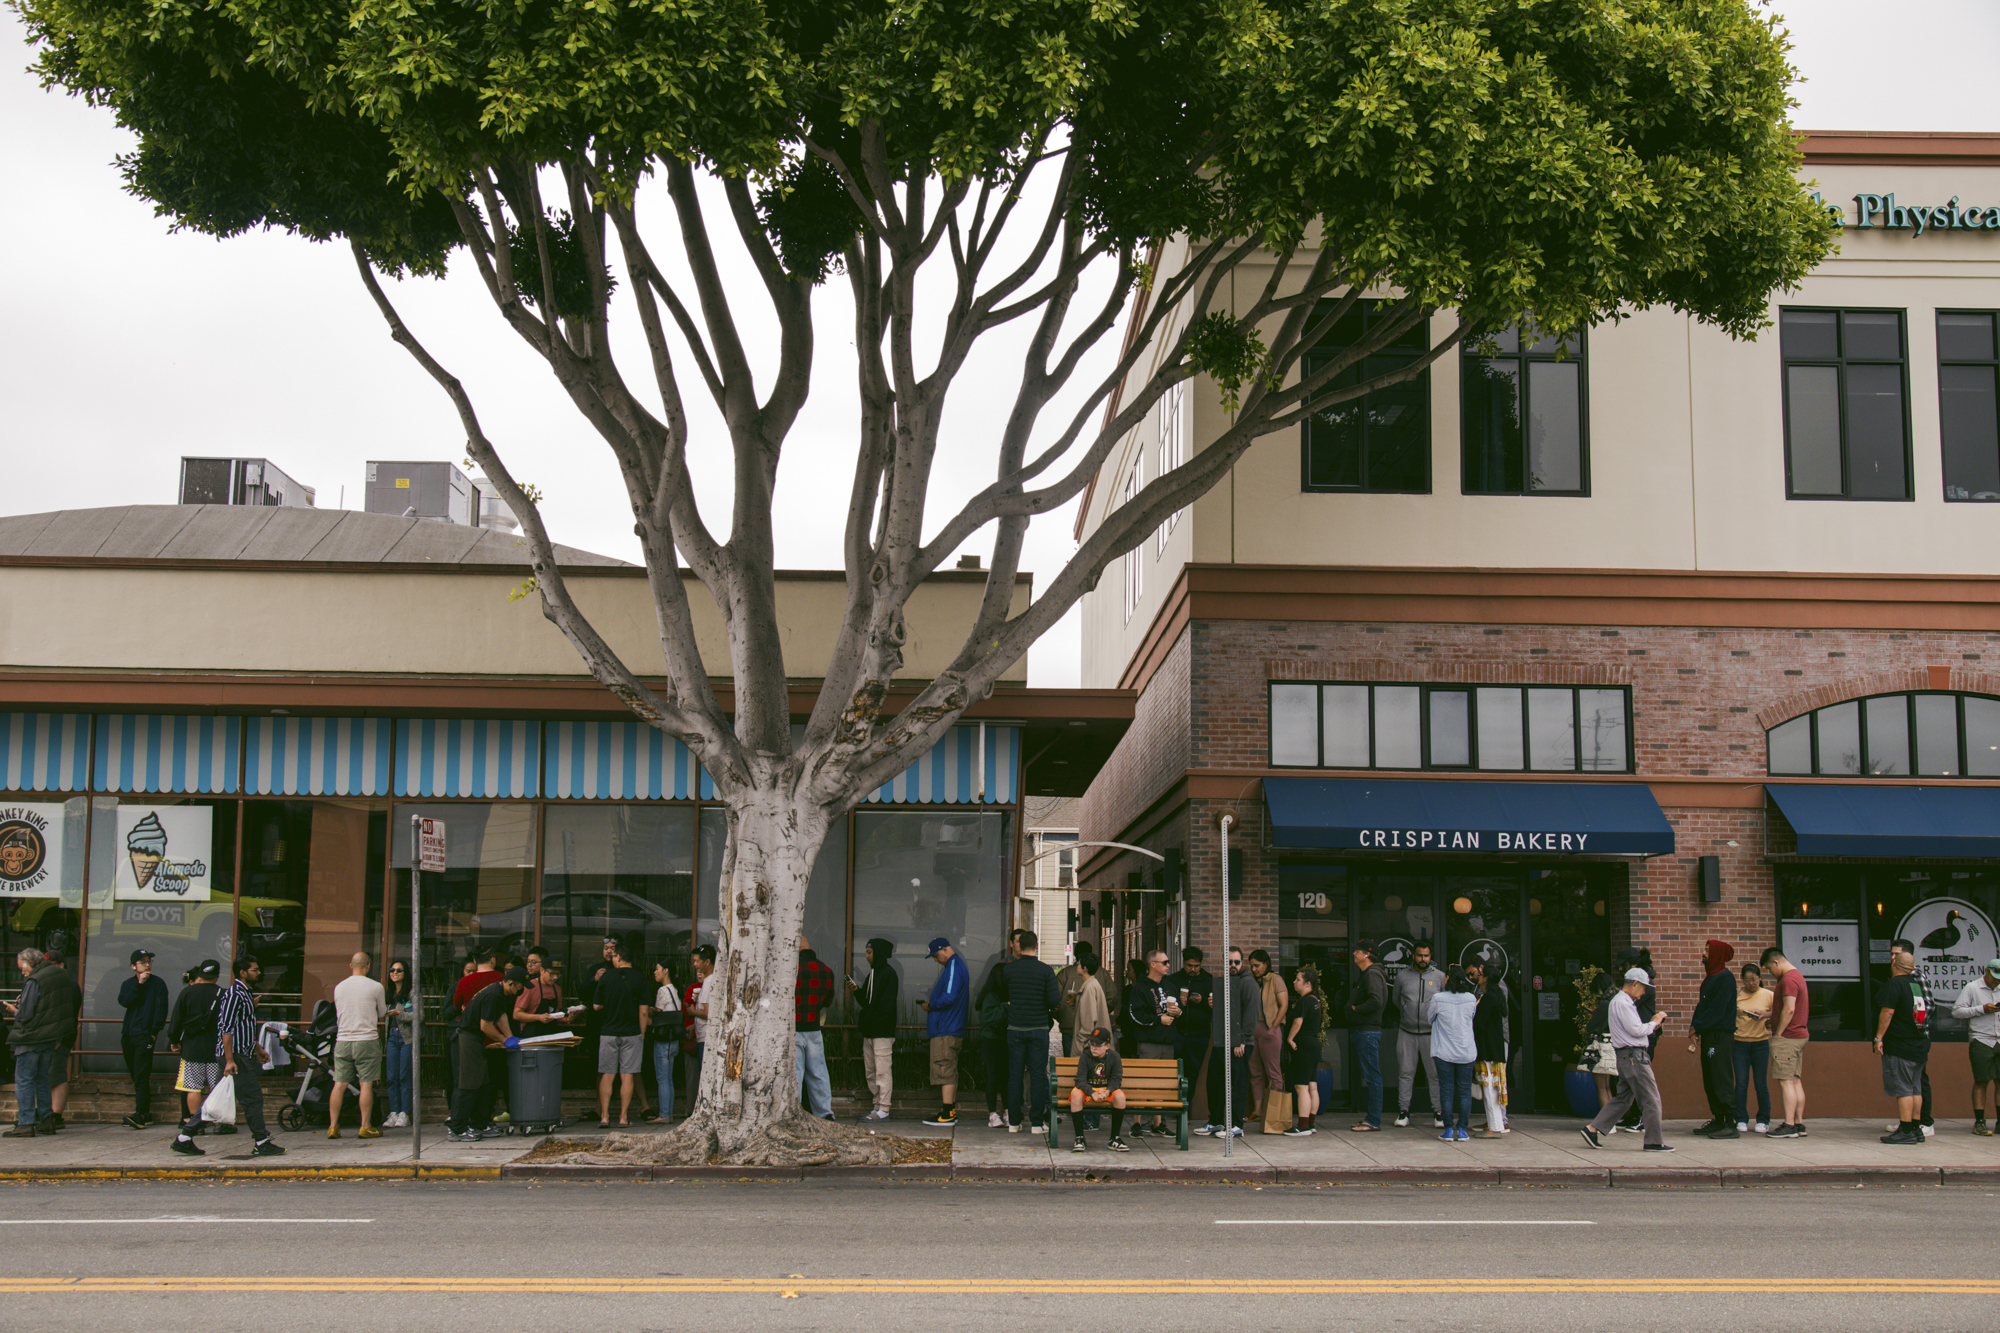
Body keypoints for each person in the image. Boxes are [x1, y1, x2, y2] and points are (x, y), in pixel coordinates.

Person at [173, 956, 285, 1157]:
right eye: (255, 970)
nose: (259, 973)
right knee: (253, 1097)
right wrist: (230, 1059)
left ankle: (184, 1137)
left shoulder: (244, 994)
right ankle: (261, 1141)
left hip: (239, 1054)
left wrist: (257, 1048)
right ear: (243, 972)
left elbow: (244, 1027)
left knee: (215, 1098)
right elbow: (226, 1027)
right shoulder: (235, 994)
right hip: (235, 1057)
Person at [1580, 968, 1672, 1152]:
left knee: (1623, 1098)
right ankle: (1653, 1141)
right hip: (1634, 1056)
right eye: (1643, 987)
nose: (1644, 992)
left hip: (1626, 1056)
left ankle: (1592, 1129)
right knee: (1651, 1099)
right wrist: (1654, 1022)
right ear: (1634, 984)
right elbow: (1636, 1030)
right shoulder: (1623, 1003)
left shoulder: (1618, 1002)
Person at [4, 948, 76, 1139]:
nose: (22, 972)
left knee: (24, 1080)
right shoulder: (59, 975)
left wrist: (14, 1010)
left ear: (29, 963)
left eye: (22, 967)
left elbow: (26, 1014)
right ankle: (46, 1119)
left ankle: (26, 1122)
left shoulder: (35, 980)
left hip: (32, 1038)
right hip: (50, 1037)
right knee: (43, 1078)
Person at [449, 965, 526, 1141]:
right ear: (511, 984)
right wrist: (503, 1040)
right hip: (468, 1037)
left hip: (475, 1039)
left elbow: (501, 1016)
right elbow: (486, 1026)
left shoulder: (500, 993)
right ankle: (457, 1128)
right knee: (468, 1083)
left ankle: (480, 1123)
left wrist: (510, 1036)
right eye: (520, 987)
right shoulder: (494, 994)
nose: (521, 991)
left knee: (483, 1082)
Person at [1002, 929, 1061, 1134]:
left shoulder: (1008, 970)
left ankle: (1014, 1122)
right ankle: (1036, 1123)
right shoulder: (1045, 971)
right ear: (1036, 946)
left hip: (1015, 1028)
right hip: (1038, 1028)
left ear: (1018, 946)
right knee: (1037, 1075)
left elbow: (1004, 994)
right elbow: (1054, 1001)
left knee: (1014, 1075)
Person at [1199, 947, 1261, 1138]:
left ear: (1242, 963)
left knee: (1238, 1083)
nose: (1233, 965)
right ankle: (1217, 1121)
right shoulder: (1225, 982)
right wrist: (1214, 1005)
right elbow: (1228, 1012)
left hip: (1240, 1043)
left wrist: (1241, 1040)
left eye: (1236, 962)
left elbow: (1251, 1014)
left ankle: (1236, 1125)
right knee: (1215, 1081)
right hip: (1222, 1041)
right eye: (1230, 962)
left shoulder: (1248, 983)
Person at [1875, 938, 1931, 1145]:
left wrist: (1878, 1037)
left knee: (1903, 1089)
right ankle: (1916, 1129)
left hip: (1900, 1045)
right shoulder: (1916, 986)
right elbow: (1922, 1014)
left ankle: (1905, 1130)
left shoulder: (1894, 984)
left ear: (1894, 965)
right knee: (1915, 1088)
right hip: (1918, 1044)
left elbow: (1887, 1012)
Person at [327, 951, 386, 1139]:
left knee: (339, 1084)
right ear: (368, 966)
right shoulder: (376, 987)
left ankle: (333, 1126)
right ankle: (365, 1126)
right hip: (366, 1039)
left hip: (343, 1040)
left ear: (351, 965)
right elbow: (382, 1013)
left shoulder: (339, 987)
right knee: (366, 1084)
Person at [594, 939, 650, 1127]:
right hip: (632, 1032)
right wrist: (642, 1033)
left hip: (609, 1031)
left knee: (607, 1074)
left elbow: (596, 1006)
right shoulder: (641, 978)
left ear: (618, 957)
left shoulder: (606, 977)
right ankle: (623, 1117)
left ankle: (604, 1116)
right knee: (627, 1075)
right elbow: (644, 1011)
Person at [166, 959, 224, 1138]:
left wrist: (174, 1039)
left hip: (193, 1047)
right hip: (218, 1048)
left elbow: (176, 1020)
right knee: (218, 1088)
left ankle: (194, 1123)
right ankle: (219, 1123)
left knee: (193, 1087)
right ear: (217, 976)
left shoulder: (187, 992)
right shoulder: (224, 994)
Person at [1126, 950, 1182, 1136]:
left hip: (1168, 1041)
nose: (1168, 965)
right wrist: (1158, 1020)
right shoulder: (1140, 988)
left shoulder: (1170, 987)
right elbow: (1135, 1015)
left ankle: (1158, 1123)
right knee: (1144, 1082)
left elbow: (1175, 1009)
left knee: (1162, 1083)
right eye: (1164, 962)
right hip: (1149, 1042)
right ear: (1152, 964)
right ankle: (1136, 1123)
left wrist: (1178, 1013)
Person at [1391, 943, 1445, 1130]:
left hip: (1431, 1033)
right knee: (1406, 1073)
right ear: (1413, 955)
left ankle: (1438, 1112)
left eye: (1426, 955)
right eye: (1420, 955)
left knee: (1435, 1075)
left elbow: (1444, 1002)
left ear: (1431, 956)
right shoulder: (1402, 976)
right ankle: (1403, 1111)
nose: (1423, 959)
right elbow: (1396, 1000)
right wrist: (1409, 1012)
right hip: (1407, 1032)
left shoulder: (1439, 977)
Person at [1760, 945, 1811, 1138]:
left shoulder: (1788, 980)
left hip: (1788, 1037)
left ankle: (1788, 1125)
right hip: (1799, 1035)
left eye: (1769, 968)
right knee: (1796, 1081)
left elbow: (1789, 1009)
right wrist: (1766, 1015)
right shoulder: (1798, 976)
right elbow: (1788, 1008)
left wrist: (1778, 1033)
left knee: (1785, 1082)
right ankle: (1798, 1123)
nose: (1770, 973)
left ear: (1776, 962)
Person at [1690, 939, 1739, 1138]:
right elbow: (1702, 1006)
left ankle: (1730, 1122)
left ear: (1717, 954)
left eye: (1708, 951)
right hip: (1710, 1034)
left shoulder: (1725, 978)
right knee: (1710, 1077)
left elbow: (1717, 1010)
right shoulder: (1709, 979)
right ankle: (1718, 1119)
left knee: (1721, 1076)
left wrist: (1698, 1026)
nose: (1704, 953)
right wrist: (1694, 1028)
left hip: (1720, 1035)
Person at [919, 937, 969, 1127]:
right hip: (950, 1027)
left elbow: (949, 997)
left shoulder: (954, 966)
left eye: (935, 955)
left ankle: (948, 1113)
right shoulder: (955, 966)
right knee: (948, 1068)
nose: (935, 959)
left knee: (944, 1068)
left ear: (945, 950)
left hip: (946, 1028)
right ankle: (949, 1110)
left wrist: (931, 1005)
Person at [117, 948, 169, 1129]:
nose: (147, 965)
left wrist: (154, 1033)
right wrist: (139, 984)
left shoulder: (158, 984)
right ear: (133, 967)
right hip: (129, 1034)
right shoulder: (128, 984)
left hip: (145, 1035)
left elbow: (161, 1010)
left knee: (141, 1074)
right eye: (143, 962)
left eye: (149, 961)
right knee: (135, 1072)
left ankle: (141, 1113)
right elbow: (124, 1002)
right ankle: (145, 1113)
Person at [850, 937, 899, 1122]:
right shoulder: (873, 974)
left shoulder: (888, 974)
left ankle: (884, 1108)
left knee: (882, 1070)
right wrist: (856, 990)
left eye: (869, 952)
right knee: (871, 1071)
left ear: (877, 953)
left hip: (881, 1032)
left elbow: (884, 1006)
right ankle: (877, 1106)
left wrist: (869, 1018)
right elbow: (866, 1000)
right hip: (871, 1031)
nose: (867, 956)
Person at [1427, 967, 1479, 1142]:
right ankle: (1462, 1130)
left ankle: (1448, 1130)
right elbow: (1472, 1016)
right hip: (1466, 1051)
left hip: (1443, 1052)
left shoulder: (1438, 998)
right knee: (1465, 1091)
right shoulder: (1471, 998)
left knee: (1447, 1091)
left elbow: (1430, 1018)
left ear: (1448, 979)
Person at [1952, 958, 2000, 1135]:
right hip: (1981, 1038)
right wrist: (1981, 1009)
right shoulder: (1972, 987)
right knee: (1982, 1080)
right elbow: (1957, 1011)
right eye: (1994, 977)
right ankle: (1979, 1121)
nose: (1997, 981)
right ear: (1986, 971)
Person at [1069, 1026, 1129, 1153]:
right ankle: (1079, 1137)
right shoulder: (1085, 1056)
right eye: (1092, 1044)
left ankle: (1115, 1138)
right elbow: (1080, 1080)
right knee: (1075, 1096)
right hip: (1088, 1089)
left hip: (1105, 1089)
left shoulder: (1115, 1057)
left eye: (1098, 1045)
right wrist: (1092, 1093)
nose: (1093, 1048)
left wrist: (1107, 1091)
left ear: (1107, 1046)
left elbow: (1116, 1079)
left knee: (1120, 1097)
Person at [1347, 944, 1387, 1132]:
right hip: (1363, 1031)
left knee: (1373, 1076)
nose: (1354, 953)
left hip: (1367, 1031)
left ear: (1367, 954)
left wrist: (1356, 1009)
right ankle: (1371, 1118)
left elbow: (1376, 1000)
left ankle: (1373, 1120)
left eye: (1357, 950)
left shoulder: (1372, 974)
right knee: (1371, 1075)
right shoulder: (1367, 974)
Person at [1284, 966, 1326, 1136]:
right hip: (1314, 1045)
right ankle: (1310, 1123)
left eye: (1298, 980)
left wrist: (1290, 1039)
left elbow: (1297, 1022)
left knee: (1301, 1088)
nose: (1294, 982)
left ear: (1308, 984)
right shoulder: (1316, 1001)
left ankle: (1302, 1126)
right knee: (1312, 1087)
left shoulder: (1305, 1001)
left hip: (1304, 1046)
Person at [1469, 960, 1509, 1138]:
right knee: (1492, 1088)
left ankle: (1494, 1127)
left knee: (1490, 1088)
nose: (1479, 977)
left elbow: (1479, 1023)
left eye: (1482, 975)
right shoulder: (1496, 995)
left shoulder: (1489, 997)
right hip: (1494, 1048)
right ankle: (1496, 1124)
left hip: (1488, 1049)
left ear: (1487, 979)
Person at [1174, 947, 1213, 1122]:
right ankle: (1174, 1107)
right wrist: (1178, 1002)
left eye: (1197, 966)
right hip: (1178, 1032)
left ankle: (1185, 1110)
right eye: (1190, 965)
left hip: (1199, 1034)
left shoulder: (1208, 980)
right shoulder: (1174, 979)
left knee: (1193, 1072)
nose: (1193, 969)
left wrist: (1202, 1001)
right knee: (1175, 1072)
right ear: (1184, 963)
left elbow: (1216, 1006)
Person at [1733, 963, 1773, 1133]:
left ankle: (1763, 1120)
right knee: (1741, 1083)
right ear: (1742, 980)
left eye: (1754, 979)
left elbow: (1779, 1011)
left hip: (1761, 1043)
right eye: (1747, 980)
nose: (1751, 983)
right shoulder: (1737, 995)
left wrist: (1765, 1015)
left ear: (1760, 979)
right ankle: (1741, 1118)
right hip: (1739, 1043)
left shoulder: (1768, 995)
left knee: (1761, 1084)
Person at [1249, 949, 1288, 1121]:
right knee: (1255, 1072)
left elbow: (1284, 1005)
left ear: (1266, 964)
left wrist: (1274, 1027)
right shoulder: (1253, 982)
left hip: (1268, 1028)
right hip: (1253, 1030)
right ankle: (1257, 1110)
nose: (1254, 969)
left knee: (1273, 1072)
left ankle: (1274, 1114)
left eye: (1257, 966)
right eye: (1252, 966)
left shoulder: (1275, 980)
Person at [1581, 968, 1621, 1112]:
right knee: (1607, 1086)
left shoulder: (1605, 1004)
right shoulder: (1617, 1001)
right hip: (1613, 1046)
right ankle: (1611, 1121)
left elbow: (1592, 1027)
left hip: (1601, 1047)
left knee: (1601, 1088)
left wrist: (1594, 1016)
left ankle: (1607, 1123)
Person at [648, 959, 683, 1124]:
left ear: (666, 971)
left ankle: (664, 1114)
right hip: (674, 1040)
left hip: (663, 1040)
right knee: (668, 1078)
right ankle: (668, 1113)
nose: (655, 972)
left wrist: (648, 1011)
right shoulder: (676, 989)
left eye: (657, 969)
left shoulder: (663, 990)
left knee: (662, 1078)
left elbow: (658, 1013)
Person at [977, 963, 1011, 1127]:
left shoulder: (1000, 993)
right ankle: (993, 1114)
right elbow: (989, 1017)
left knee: (1005, 1077)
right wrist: (1006, 1007)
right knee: (994, 1076)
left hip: (1002, 1039)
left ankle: (1006, 1112)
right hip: (992, 1040)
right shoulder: (992, 995)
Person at [383, 959, 414, 1128]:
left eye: (399, 970)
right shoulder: (388, 994)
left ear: (405, 973)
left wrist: (398, 1014)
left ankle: (405, 1112)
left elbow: (418, 1015)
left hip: (406, 1038)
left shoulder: (411, 993)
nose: (395, 973)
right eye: (392, 970)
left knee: (404, 1075)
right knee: (391, 1077)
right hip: (391, 1037)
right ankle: (393, 1111)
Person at [684, 943, 715, 1107]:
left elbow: (708, 1013)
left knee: (705, 1075)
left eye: (697, 961)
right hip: (703, 1034)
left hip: (706, 1037)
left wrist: (692, 1011)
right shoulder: (712, 981)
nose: (695, 964)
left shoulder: (709, 982)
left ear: (707, 962)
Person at [1054, 945, 1092, 1058]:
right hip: (1093, 1024)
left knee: (1070, 1060)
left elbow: (1055, 998)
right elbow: (1111, 997)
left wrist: (1060, 1014)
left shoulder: (1065, 973)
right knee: (1092, 1060)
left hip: (1069, 1023)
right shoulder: (1101, 974)